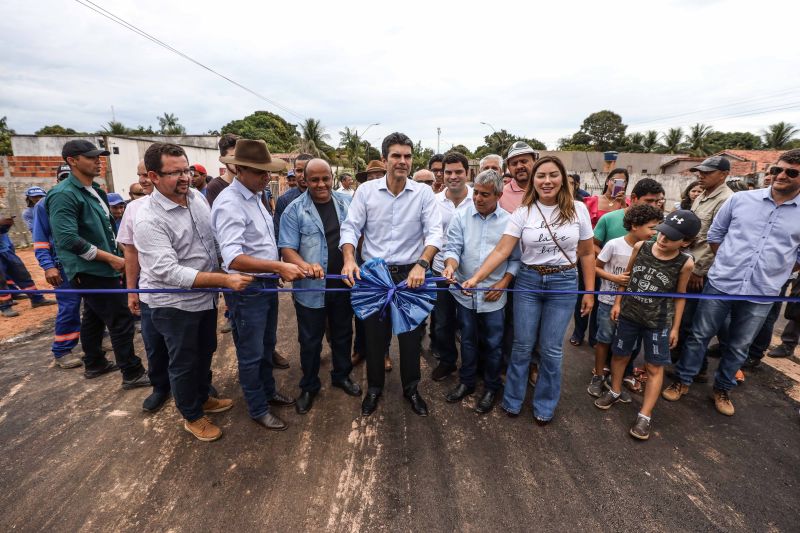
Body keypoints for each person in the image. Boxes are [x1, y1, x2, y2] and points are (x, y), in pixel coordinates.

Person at [663, 149, 800, 416]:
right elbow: (716, 235)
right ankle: (683, 381)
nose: (781, 175)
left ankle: (723, 389)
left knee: (739, 344)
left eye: (791, 172)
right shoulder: (741, 201)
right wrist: (729, 262)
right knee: (699, 335)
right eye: (776, 170)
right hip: (722, 282)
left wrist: (775, 272)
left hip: (762, 292)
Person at [462, 156, 595, 424]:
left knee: (551, 348)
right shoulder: (523, 212)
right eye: (541, 176)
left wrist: (589, 291)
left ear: (562, 178)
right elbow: (502, 250)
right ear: (533, 180)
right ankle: (512, 400)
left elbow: (587, 253)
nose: (547, 181)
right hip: (529, 281)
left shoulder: (579, 209)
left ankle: (545, 404)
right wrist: (476, 277)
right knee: (521, 345)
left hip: (564, 283)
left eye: (553, 175)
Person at [135, 143, 249, 441]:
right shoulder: (148, 218)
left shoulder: (196, 197)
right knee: (184, 361)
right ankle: (192, 415)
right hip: (173, 304)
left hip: (204, 296)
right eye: (175, 172)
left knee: (205, 350)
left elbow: (211, 241)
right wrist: (223, 280)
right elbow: (168, 272)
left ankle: (203, 397)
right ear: (154, 176)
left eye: (186, 169)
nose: (185, 177)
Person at [340, 132, 443, 417]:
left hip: (412, 275)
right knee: (374, 336)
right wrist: (349, 258)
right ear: (385, 160)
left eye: (407, 156)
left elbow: (435, 232)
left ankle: (411, 389)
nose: (402, 161)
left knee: (411, 337)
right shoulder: (366, 191)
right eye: (396, 156)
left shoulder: (423, 193)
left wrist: (423, 263)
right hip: (374, 276)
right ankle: (374, 388)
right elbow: (350, 228)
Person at [212, 139, 306, 431]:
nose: (266, 177)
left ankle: (267, 390)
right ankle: (257, 406)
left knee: (266, 344)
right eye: (259, 172)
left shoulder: (256, 196)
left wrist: (278, 266)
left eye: (267, 171)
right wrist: (279, 266)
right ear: (239, 169)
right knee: (250, 352)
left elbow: (262, 244)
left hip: (265, 285)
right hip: (248, 289)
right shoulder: (230, 203)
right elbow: (234, 258)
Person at [46, 140, 148, 387]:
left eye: (99, 157)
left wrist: (123, 252)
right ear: (72, 161)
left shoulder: (96, 191)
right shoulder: (63, 194)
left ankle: (95, 362)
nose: (98, 161)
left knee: (93, 316)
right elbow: (67, 239)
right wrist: (111, 258)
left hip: (102, 267)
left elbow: (108, 233)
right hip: (90, 269)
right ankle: (132, 373)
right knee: (120, 319)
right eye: (91, 157)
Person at [594, 210, 699, 440]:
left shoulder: (685, 263)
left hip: (657, 322)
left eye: (671, 238)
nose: (662, 239)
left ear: (686, 242)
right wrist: (618, 303)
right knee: (620, 355)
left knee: (654, 367)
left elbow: (680, 296)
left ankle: (645, 415)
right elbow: (628, 277)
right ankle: (614, 389)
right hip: (630, 314)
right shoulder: (641, 246)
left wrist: (674, 327)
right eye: (662, 233)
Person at [278, 159, 362, 414]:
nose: (321, 184)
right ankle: (309, 385)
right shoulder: (294, 210)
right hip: (310, 289)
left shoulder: (347, 203)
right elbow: (287, 249)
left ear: (331, 178)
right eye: (314, 179)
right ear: (305, 179)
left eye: (325, 178)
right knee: (310, 340)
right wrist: (305, 265)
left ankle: (341, 375)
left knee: (343, 334)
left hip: (343, 285)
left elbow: (359, 235)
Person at [441, 169, 520, 413]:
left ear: (498, 195)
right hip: (464, 293)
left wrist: (504, 282)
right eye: (476, 193)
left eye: (485, 194)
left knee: (494, 344)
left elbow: (515, 259)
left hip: (493, 296)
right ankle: (466, 382)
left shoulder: (510, 221)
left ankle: (491, 387)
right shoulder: (461, 216)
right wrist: (450, 267)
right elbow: (452, 248)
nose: (478, 199)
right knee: (467, 339)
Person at [570, 178, 665, 351]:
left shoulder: (658, 228)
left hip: (634, 293)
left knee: (625, 332)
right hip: (606, 275)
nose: (654, 205)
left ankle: (607, 352)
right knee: (598, 311)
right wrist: (609, 257)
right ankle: (588, 340)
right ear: (634, 198)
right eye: (648, 201)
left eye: (657, 201)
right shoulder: (609, 218)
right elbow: (592, 245)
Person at [586, 204, 663, 399]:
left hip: (634, 306)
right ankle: (598, 375)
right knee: (604, 340)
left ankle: (616, 380)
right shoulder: (613, 244)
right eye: (652, 227)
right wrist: (614, 279)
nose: (655, 233)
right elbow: (595, 268)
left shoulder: (651, 249)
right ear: (635, 225)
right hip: (607, 301)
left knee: (625, 345)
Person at [674, 156, 734, 381]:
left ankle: (696, 368)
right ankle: (684, 361)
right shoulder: (702, 195)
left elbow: (717, 238)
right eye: (700, 171)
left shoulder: (727, 200)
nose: (701, 175)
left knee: (694, 322)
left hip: (700, 269)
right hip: (689, 260)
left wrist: (699, 269)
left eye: (707, 172)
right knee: (685, 318)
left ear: (724, 174)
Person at [31, 166, 83, 367]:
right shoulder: (44, 205)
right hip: (62, 265)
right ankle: (62, 350)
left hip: (86, 263)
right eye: (63, 177)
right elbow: (41, 240)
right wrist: (48, 266)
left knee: (94, 305)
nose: (66, 180)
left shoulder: (84, 198)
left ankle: (93, 340)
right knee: (69, 306)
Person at [430, 152, 473, 381]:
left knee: (468, 323)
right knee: (442, 321)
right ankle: (447, 361)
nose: (453, 176)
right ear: (442, 174)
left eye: (458, 172)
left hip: (471, 273)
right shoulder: (434, 202)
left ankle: (471, 366)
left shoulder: (479, 198)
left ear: (467, 173)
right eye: (448, 172)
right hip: (440, 271)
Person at [0, 186, 56, 317]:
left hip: (6, 249)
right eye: (34, 197)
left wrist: (5, 225)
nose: (37, 199)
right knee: (0, 279)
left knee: (21, 273)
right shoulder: (28, 213)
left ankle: (37, 299)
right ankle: (5, 305)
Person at [273, 154, 312, 240]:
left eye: (307, 170)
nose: (303, 175)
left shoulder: (324, 198)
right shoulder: (284, 200)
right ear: (294, 172)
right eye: (299, 171)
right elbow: (278, 233)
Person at [499, 141, 538, 213]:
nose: (519, 166)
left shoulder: (546, 189)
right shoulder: (501, 195)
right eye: (514, 163)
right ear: (509, 168)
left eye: (524, 161)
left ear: (535, 162)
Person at [205, 133, 241, 207]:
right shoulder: (215, 186)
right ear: (223, 159)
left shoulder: (251, 182)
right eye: (232, 157)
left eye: (240, 157)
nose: (237, 161)